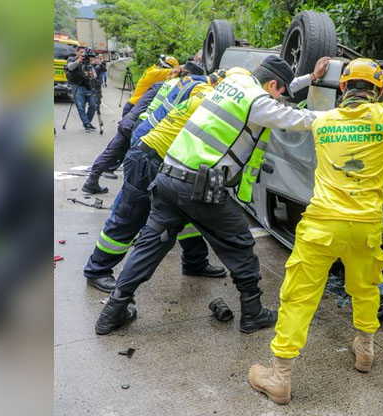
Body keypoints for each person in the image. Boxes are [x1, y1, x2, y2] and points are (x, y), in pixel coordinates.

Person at [248, 58, 383, 405]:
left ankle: (280, 376)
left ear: (343, 88)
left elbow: (286, 117)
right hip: (366, 226)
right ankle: (365, 350)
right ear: (378, 89)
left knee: (299, 296)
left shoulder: (324, 121)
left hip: (322, 225)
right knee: (366, 288)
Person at [94, 55, 327, 336]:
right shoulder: (259, 102)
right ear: (272, 84)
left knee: (149, 246)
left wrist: (310, 78)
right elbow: (299, 118)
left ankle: (112, 312)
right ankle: (252, 313)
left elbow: (274, 95)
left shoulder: (234, 82)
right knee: (240, 243)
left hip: (168, 176)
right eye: (280, 92)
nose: (280, 99)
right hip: (199, 187)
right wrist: (346, 116)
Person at [83, 70, 228, 293]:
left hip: (158, 152)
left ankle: (195, 262)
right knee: (130, 215)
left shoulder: (191, 84)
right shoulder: (205, 94)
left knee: (187, 215)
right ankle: (97, 270)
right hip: (149, 156)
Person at [81, 62, 208, 195]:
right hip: (141, 125)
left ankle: (92, 180)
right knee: (136, 166)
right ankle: (127, 195)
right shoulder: (178, 88)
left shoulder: (160, 81)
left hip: (130, 117)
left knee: (112, 151)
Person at [65, 46, 99, 132]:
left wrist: (91, 73)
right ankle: (86, 124)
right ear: (77, 52)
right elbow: (70, 67)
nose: (83, 54)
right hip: (76, 86)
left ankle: (87, 121)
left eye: (84, 52)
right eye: (81, 52)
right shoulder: (72, 59)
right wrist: (79, 60)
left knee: (93, 105)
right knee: (80, 107)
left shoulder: (87, 62)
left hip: (88, 85)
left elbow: (94, 75)